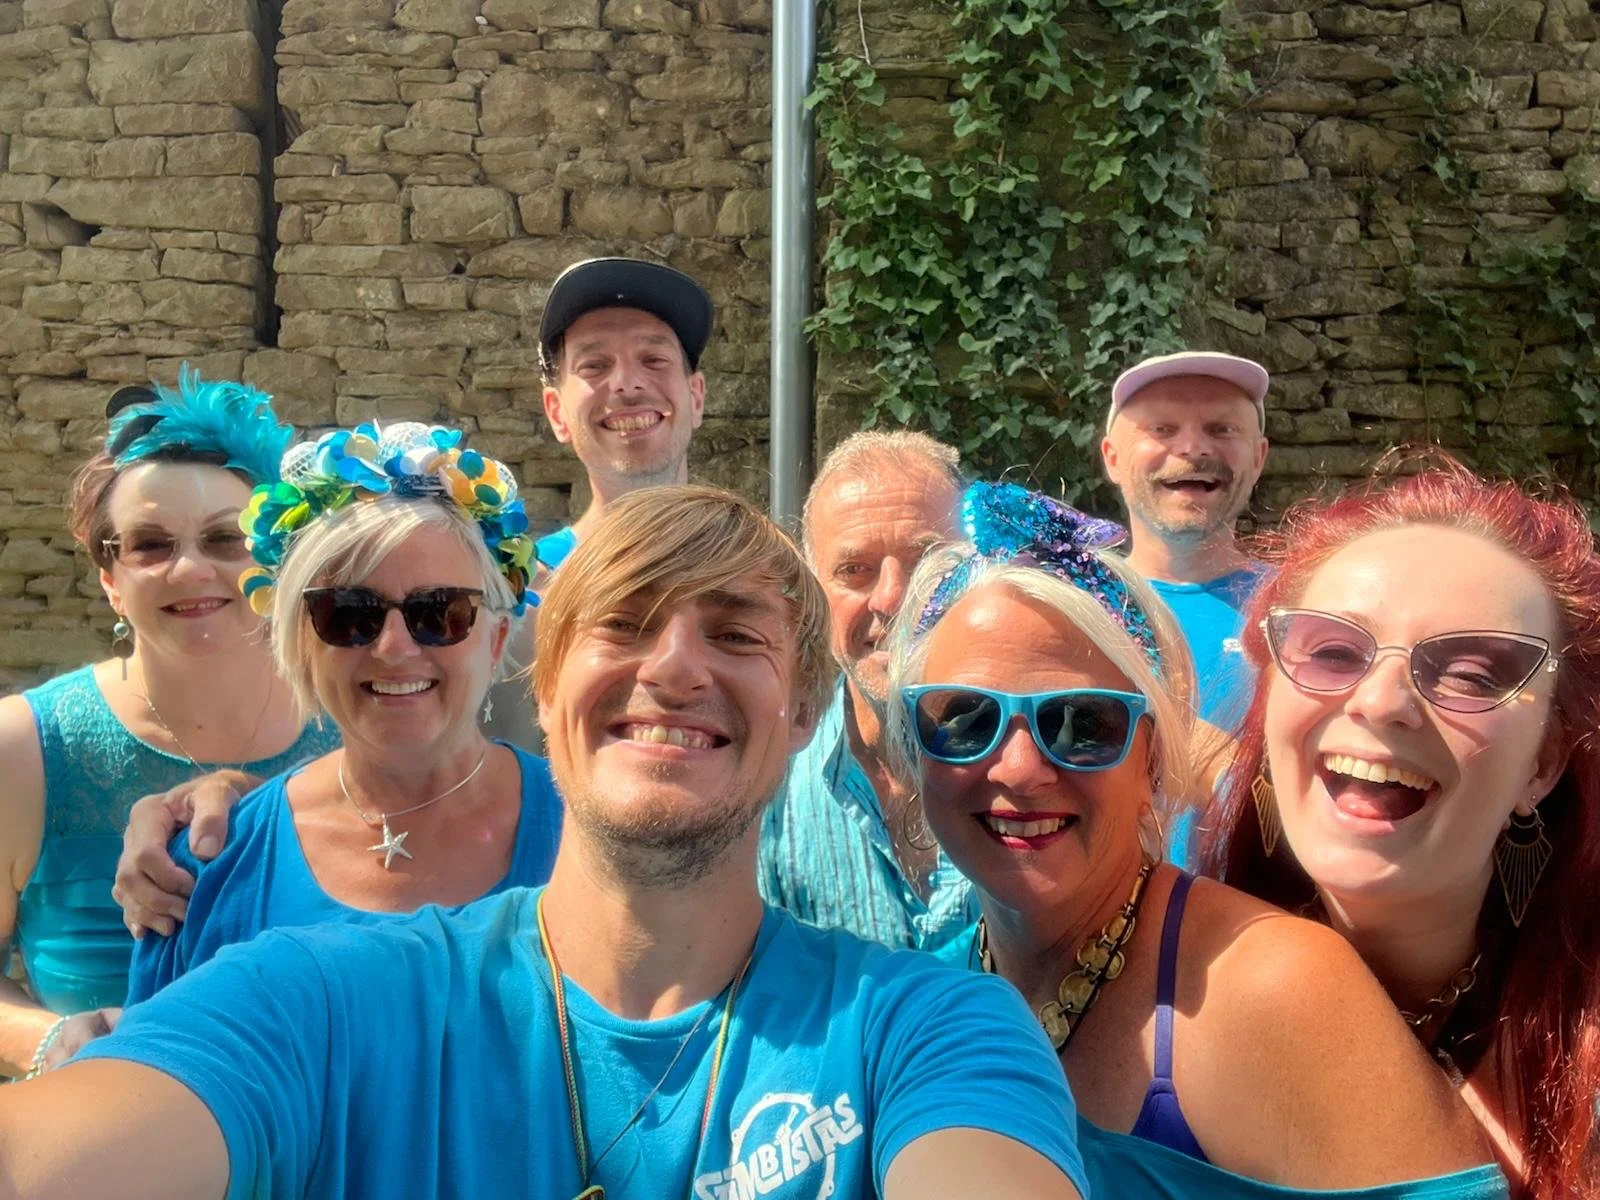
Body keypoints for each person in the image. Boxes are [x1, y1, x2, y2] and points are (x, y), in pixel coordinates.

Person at [0, 486, 1090, 1200]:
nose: (674, 668)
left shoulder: (925, 1033)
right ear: (549, 680)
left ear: (805, 711)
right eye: (624, 624)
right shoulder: (317, 1002)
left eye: (734, 634)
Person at [890, 479, 1506, 1197]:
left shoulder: (1272, 987)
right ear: (912, 748)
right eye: (964, 719)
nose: (1021, 769)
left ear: (1153, 758)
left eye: (1084, 724)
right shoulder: (924, 997)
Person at [1197, 456, 1600, 1199]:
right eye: (1332, 652)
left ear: (1543, 765)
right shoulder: (1157, 983)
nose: (1381, 702)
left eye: (1471, 674)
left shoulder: (1581, 1055)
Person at [118, 420, 563, 1001]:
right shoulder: (208, 865)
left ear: (497, 640)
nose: (395, 647)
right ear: (301, 643)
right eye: (349, 613)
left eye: (440, 612)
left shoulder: (589, 834)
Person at [0, 370, 339, 1078]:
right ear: (110, 580)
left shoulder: (354, 726)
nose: (190, 569)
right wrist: (49, 1038)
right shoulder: (22, 748)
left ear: (276, 561)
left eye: (225, 539)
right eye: (151, 545)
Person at [759, 430, 976, 949]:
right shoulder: (763, 787)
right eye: (855, 570)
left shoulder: (1047, 768)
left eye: (928, 560)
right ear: (811, 596)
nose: (892, 598)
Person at [1100, 350, 1272, 866]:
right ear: (1112, 458)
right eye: (1162, 429)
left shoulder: (1307, 613)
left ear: (1258, 457)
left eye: (1222, 429)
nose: (1193, 447)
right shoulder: (1066, 610)